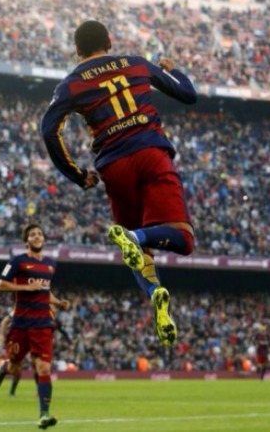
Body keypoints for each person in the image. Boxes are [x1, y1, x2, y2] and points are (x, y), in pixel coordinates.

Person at [40, 20, 197, 347]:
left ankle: (155, 291)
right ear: (109, 41)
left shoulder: (71, 83)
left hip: (113, 165)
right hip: (151, 152)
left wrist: (78, 174)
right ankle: (136, 236)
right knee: (182, 238)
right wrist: (174, 70)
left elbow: (49, 130)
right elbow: (187, 94)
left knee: (138, 254)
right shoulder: (136, 63)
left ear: (77, 50)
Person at [0, 224, 70, 430]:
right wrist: (26, 287)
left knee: (43, 367)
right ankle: (4, 367)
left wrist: (58, 302)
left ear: (44, 239)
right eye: (33, 234)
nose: (37, 237)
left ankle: (44, 414)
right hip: (20, 324)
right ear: (27, 240)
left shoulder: (51, 265)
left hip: (42, 324)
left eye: (39, 234)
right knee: (15, 367)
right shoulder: (18, 261)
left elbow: (45, 291)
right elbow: (1, 285)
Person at [0, 306, 72, 397]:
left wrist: (70, 342)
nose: (54, 308)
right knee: (17, 368)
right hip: (22, 340)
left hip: (37, 343)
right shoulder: (26, 308)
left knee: (39, 367)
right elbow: (5, 321)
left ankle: (39, 391)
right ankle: (11, 390)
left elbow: (63, 331)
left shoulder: (54, 320)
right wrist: (1, 334)